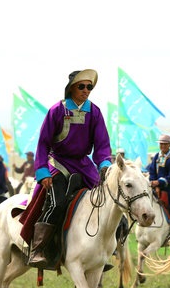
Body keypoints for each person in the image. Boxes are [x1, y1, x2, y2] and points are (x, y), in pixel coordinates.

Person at [25, 69, 112, 268]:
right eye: (82, 86)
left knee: (104, 200)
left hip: (84, 165)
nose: (86, 90)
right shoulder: (57, 110)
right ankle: (38, 249)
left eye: (89, 87)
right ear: (72, 88)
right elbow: (43, 144)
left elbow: (102, 145)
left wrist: (105, 165)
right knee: (57, 203)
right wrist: (43, 172)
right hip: (59, 163)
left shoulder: (95, 112)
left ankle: (103, 251)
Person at [147, 134, 170, 223]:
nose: (163, 146)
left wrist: (159, 182)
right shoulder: (156, 156)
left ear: (169, 145)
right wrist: (155, 184)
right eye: (161, 144)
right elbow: (152, 171)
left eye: (165, 144)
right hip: (157, 188)